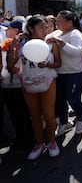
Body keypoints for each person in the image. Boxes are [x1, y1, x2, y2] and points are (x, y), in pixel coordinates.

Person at [7, 15, 61, 160]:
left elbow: (58, 63)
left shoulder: (51, 43)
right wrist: (12, 46)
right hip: (28, 84)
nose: (45, 30)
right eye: (41, 27)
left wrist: (47, 65)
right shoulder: (22, 44)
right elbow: (12, 68)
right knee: (35, 116)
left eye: (46, 27)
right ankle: (39, 144)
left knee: (49, 115)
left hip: (48, 82)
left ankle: (52, 142)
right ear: (31, 28)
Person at [46, 10, 82, 136]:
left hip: (74, 73)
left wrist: (60, 42)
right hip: (58, 73)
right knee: (59, 100)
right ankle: (64, 123)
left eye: (60, 20)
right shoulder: (56, 33)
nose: (57, 22)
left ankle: (80, 119)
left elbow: (76, 52)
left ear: (69, 22)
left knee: (74, 99)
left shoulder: (75, 34)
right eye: (56, 20)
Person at [1, 20, 33, 149]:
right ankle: (19, 137)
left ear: (16, 31)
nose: (5, 31)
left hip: (19, 85)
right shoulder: (5, 44)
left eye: (8, 29)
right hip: (6, 84)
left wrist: (13, 45)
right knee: (13, 113)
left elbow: (11, 66)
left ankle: (30, 137)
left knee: (25, 113)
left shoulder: (23, 46)